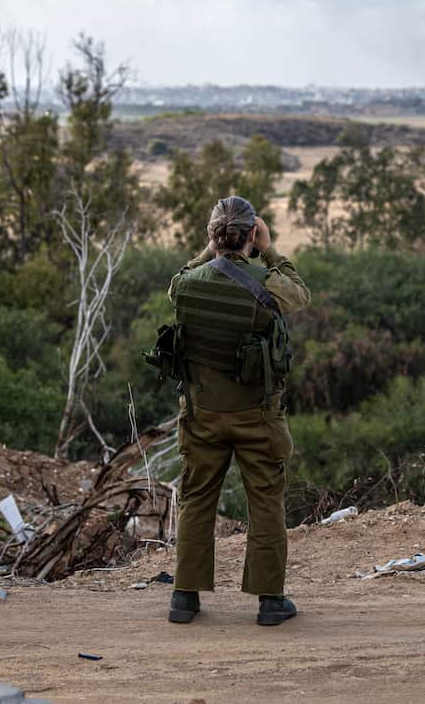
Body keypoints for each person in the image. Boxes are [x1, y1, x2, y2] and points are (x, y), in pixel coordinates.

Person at [165, 196, 310, 626]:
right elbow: (300, 293)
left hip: (203, 413)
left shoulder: (187, 284)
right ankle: (269, 601)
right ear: (251, 234)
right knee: (265, 501)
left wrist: (210, 250)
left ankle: (184, 598)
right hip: (256, 415)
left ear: (211, 237)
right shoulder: (267, 282)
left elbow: (180, 279)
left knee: (196, 499)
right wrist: (270, 250)